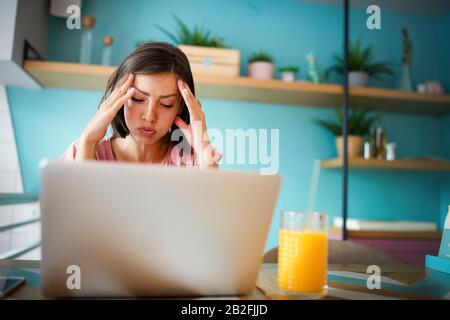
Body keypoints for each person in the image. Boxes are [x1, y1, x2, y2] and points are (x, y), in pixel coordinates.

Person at [62, 42, 221, 168]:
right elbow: (70, 208)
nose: (150, 116)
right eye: (138, 99)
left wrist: (203, 146)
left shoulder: (194, 164)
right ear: (120, 97)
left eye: (166, 104)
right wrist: (88, 140)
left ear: (181, 107)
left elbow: (212, 207)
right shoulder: (83, 149)